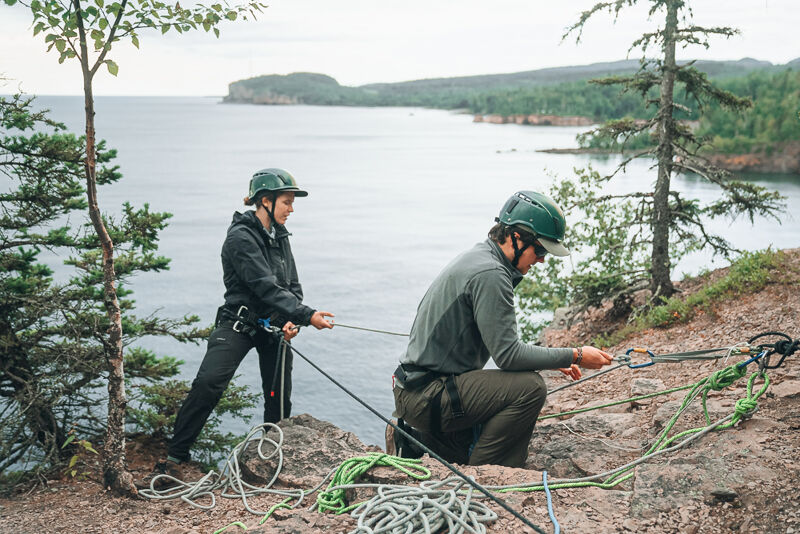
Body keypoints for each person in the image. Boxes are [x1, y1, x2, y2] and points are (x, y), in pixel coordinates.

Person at [388, 190, 614, 468]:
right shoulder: (491, 274)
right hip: (426, 397)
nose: (542, 260)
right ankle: (486, 474)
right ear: (516, 237)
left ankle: (425, 442)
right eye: (540, 250)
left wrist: (555, 359)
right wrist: (575, 355)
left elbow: (502, 345)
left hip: (416, 388)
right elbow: (508, 356)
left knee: (515, 386)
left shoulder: (482, 257)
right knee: (529, 388)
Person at [139, 168, 334, 487]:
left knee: (277, 394)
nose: (291, 208)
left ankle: (272, 452)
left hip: (272, 325)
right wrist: (307, 315)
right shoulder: (240, 238)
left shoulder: (280, 235)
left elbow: (292, 286)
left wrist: (290, 319)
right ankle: (176, 457)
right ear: (266, 201)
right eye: (287, 201)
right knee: (209, 383)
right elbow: (264, 287)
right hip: (239, 321)